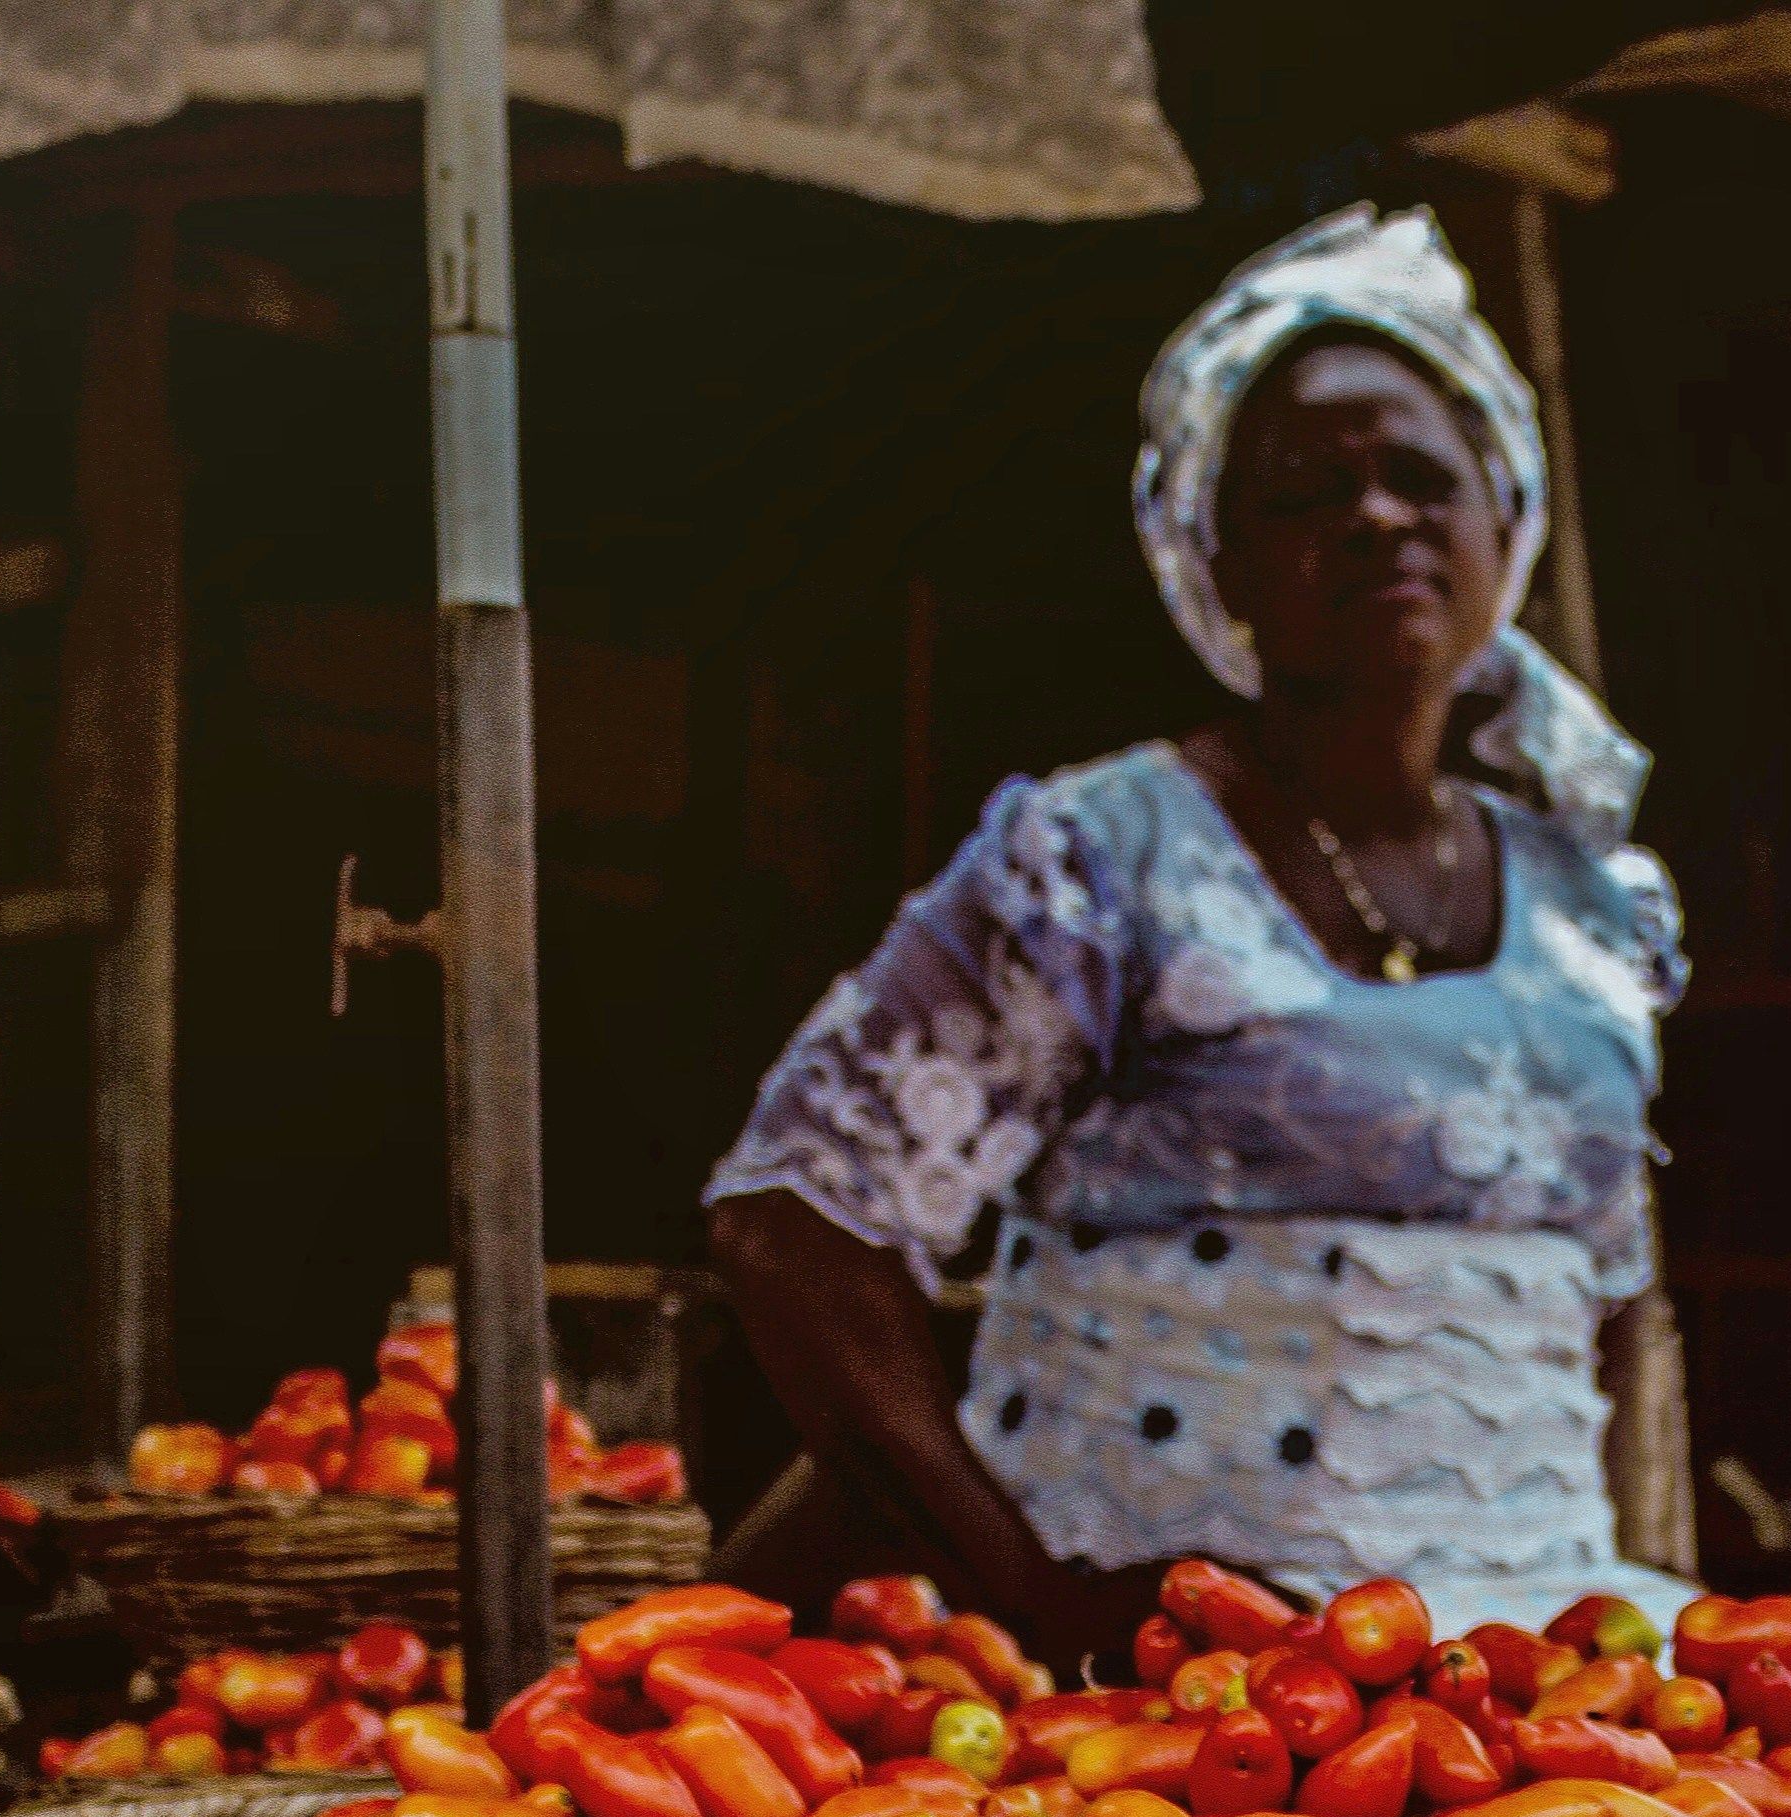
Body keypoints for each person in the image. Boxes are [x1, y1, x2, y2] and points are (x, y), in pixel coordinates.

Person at [706, 206, 1695, 1668]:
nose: (1378, 518)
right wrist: (1029, 1591)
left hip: (1521, 1653)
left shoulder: (1601, 907)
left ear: (1508, 520)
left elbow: (1603, 1309)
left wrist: (1611, 1602)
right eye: (1307, 493)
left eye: (1424, 477)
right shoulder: (1099, 862)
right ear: (1209, 559)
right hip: (1155, 1663)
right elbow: (793, 1231)